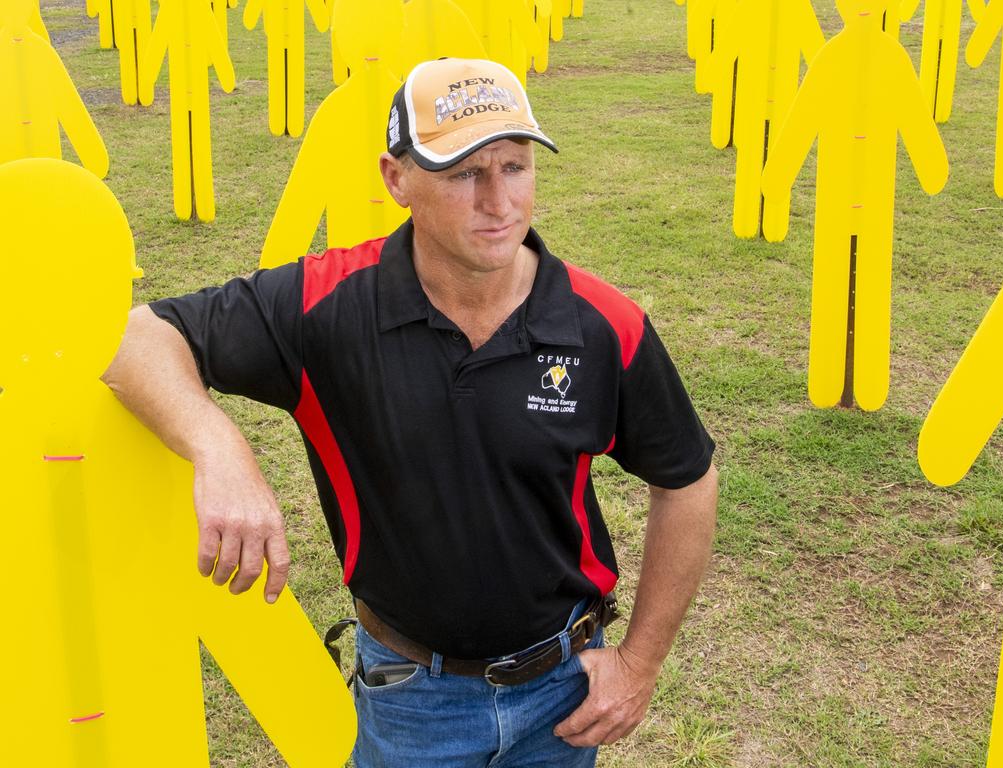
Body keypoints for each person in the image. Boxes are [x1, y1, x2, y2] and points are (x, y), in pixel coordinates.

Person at [103, 57, 719, 767]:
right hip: (411, 700)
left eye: (514, 166)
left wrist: (639, 664)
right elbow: (134, 337)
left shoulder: (604, 325)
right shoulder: (326, 306)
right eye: (463, 173)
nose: (498, 202)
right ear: (396, 179)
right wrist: (219, 448)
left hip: (564, 691)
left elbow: (687, 479)